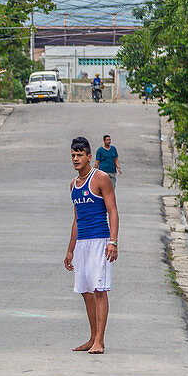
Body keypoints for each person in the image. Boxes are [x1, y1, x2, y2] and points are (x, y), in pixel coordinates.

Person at [64, 136, 119, 355]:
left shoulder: (101, 178)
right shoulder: (73, 185)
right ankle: (92, 337)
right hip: (82, 244)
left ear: (89, 156)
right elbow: (76, 219)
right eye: (73, 156)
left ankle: (100, 341)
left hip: (100, 241)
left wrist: (113, 241)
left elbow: (113, 211)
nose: (76, 159)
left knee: (99, 289)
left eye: (80, 155)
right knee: (86, 291)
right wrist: (70, 250)